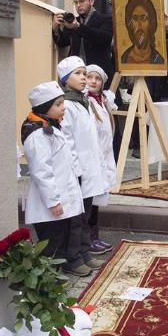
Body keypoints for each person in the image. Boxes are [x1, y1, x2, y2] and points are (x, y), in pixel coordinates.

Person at [21, 82, 88, 274]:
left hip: (62, 197)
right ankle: (47, 283)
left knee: (61, 240)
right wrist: (53, 202)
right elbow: (42, 171)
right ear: (44, 108)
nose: (63, 108)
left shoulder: (52, 127)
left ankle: (56, 277)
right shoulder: (37, 135)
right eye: (58, 105)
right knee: (51, 245)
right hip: (50, 204)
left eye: (63, 103)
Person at [56, 56, 106, 276]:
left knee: (85, 215)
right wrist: (76, 170)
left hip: (88, 169)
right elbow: (68, 141)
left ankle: (84, 252)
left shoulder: (83, 102)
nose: (84, 78)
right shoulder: (66, 104)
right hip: (77, 171)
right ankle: (72, 258)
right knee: (75, 219)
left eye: (84, 74)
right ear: (65, 79)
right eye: (78, 74)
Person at [85, 65, 116, 255]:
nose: (93, 81)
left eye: (97, 78)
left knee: (97, 201)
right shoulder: (85, 102)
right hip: (92, 159)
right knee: (90, 202)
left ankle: (94, 237)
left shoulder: (103, 101)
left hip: (103, 157)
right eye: (89, 77)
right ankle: (88, 239)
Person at [52, 0, 115, 79]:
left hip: (100, 76)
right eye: (75, 2)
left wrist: (78, 27)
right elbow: (62, 42)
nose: (78, 5)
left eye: (81, 1)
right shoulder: (73, 21)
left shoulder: (105, 19)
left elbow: (104, 38)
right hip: (79, 76)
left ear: (91, 1)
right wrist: (55, 28)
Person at [119, 0, 164, 65]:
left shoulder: (158, 60)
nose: (139, 25)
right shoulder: (124, 58)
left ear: (150, 23)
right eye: (135, 18)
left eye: (143, 18)